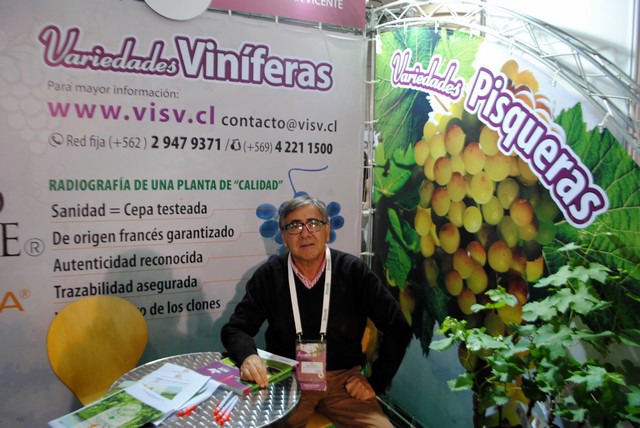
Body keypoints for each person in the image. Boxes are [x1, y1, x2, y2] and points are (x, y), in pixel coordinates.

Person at [221, 194, 412, 427]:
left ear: (327, 230)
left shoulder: (353, 272)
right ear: (284, 236)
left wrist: (375, 382)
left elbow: (398, 327)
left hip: (343, 381)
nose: (305, 233)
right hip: (288, 380)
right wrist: (248, 356)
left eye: (313, 223)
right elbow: (236, 329)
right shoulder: (269, 276)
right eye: (294, 226)